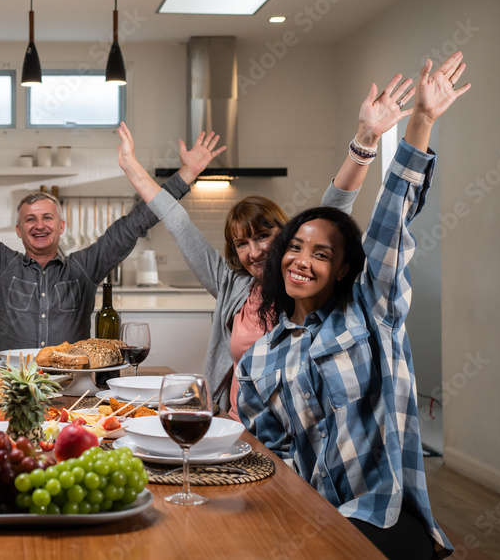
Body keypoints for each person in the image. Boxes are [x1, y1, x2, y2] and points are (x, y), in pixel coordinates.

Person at [237, 52, 470, 559]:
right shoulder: (259, 360)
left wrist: (420, 122)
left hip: (379, 513)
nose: (302, 260)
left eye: (322, 254)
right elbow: (270, 456)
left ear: (344, 269)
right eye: (295, 248)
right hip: (305, 513)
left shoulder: (370, 312)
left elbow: (389, 223)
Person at [116, 73, 415, 417]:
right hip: (234, 423)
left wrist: (366, 140)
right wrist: (130, 166)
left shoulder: (302, 284)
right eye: (241, 243)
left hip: (296, 434)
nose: (254, 252)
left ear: (286, 235)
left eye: (262, 236)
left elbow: (335, 207)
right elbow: (178, 222)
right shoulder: (232, 285)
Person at [0, 119, 200, 351]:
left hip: (71, 389)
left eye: (47, 217)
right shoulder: (2, 266)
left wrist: (184, 176)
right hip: (14, 388)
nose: (39, 225)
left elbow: (134, 225)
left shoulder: (83, 270)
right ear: (19, 230)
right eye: (30, 219)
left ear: (61, 226)